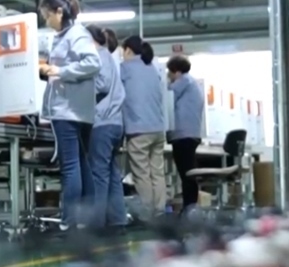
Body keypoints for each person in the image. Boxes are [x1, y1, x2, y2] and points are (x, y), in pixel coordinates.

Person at [38, 0, 101, 230]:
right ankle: (87, 220)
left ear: (59, 12)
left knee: (71, 167)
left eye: (47, 16)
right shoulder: (67, 35)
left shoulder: (76, 34)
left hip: (68, 111)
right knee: (81, 165)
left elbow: (93, 63)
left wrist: (60, 71)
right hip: (75, 110)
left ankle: (69, 222)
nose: (46, 22)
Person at [84, 24, 127, 234]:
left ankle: (96, 224)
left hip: (103, 122)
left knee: (98, 174)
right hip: (115, 122)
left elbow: (101, 84)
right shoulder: (109, 56)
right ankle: (117, 220)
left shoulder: (98, 56)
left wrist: (76, 86)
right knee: (111, 173)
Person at [119, 36, 167, 219]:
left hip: (138, 129)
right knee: (157, 172)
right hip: (158, 129)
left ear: (128, 50)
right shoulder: (152, 68)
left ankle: (147, 215)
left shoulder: (124, 68)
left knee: (142, 174)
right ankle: (160, 212)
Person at [165, 55, 204, 213]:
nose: (169, 76)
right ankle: (190, 206)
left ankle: (189, 208)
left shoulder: (183, 81)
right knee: (188, 173)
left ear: (176, 71)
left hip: (183, 135)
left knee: (186, 174)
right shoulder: (192, 82)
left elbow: (167, 98)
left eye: (170, 73)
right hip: (191, 134)